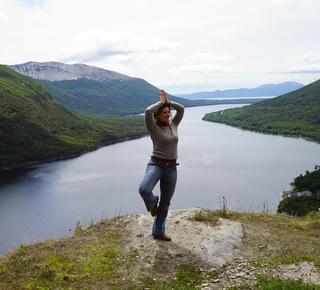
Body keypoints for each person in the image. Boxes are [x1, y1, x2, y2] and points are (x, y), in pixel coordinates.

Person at [139, 89, 184, 241]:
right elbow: (147, 111)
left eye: (168, 112)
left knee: (166, 202)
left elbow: (181, 109)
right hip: (156, 165)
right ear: (157, 115)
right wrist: (161, 102)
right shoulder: (153, 128)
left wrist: (169, 103)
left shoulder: (173, 124)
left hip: (172, 168)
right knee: (144, 189)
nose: (167, 114)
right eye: (164, 112)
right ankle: (152, 203)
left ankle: (158, 230)